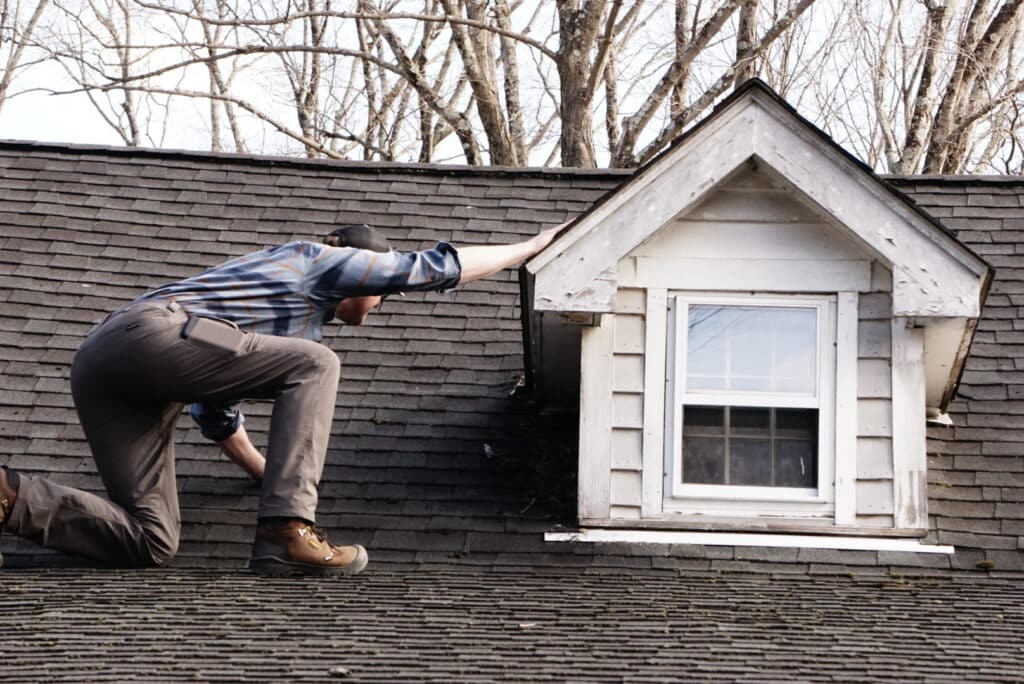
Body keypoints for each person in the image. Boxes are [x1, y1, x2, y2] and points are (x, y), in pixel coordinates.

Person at [0, 223, 560, 576]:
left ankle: (8, 497)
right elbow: (430, 268)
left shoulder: (283, 315)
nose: (381, 304)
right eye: (380, 292)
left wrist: (266, 472)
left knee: (151, 541)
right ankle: (288, 532)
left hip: (111, 371)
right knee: (317, 362)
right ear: (360, 271)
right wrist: (529, 249)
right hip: (150, 333)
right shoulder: (320, 259)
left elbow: (215, 413)